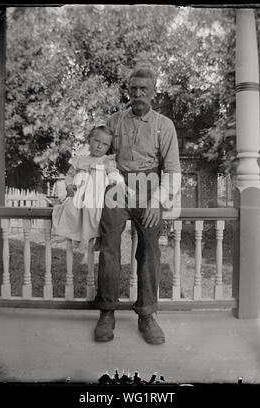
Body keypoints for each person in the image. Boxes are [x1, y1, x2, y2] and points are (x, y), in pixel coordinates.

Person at [94, 65, 181, 345]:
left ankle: (146, 314)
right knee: (109, 247)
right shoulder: (114, 121)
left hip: (150, 187)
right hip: (117, 185)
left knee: (150, 251)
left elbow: (173, 170)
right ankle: (107, 312)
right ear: (128, 91)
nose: (138, 94)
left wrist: (157, 201)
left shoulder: (164, 125)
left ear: (154, 92)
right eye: (134, 89)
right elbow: (100, 155)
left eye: (144, 89)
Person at [52, 125, 125, 244]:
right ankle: (67, 233)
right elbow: (70, 175)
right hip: (79, 194)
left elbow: (113, 174)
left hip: (96, 196)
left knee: (93, 213)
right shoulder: (79, 160)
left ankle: (93, 239)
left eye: (105, 144)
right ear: (89, 140)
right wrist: (69, 186)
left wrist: (117, 181)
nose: (100, 146)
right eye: (97, 141)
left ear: (108, 147)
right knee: (69, 208)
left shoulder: (107, 161)